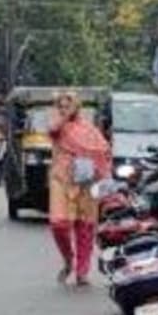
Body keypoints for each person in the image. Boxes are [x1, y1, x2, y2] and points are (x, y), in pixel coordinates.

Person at [48, 92, 112, 286]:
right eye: (60, 106)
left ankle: (82, 271)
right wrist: (63, 117)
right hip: (62, 179)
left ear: (77, 107)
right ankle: (68, 259)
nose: (63, 109)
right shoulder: (58, 127)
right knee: (59, 224)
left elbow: (103, 150)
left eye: (67, 106)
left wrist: (103, 176)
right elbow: (52, 129)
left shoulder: (89, 129)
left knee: (85, 227)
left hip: (86, 179)